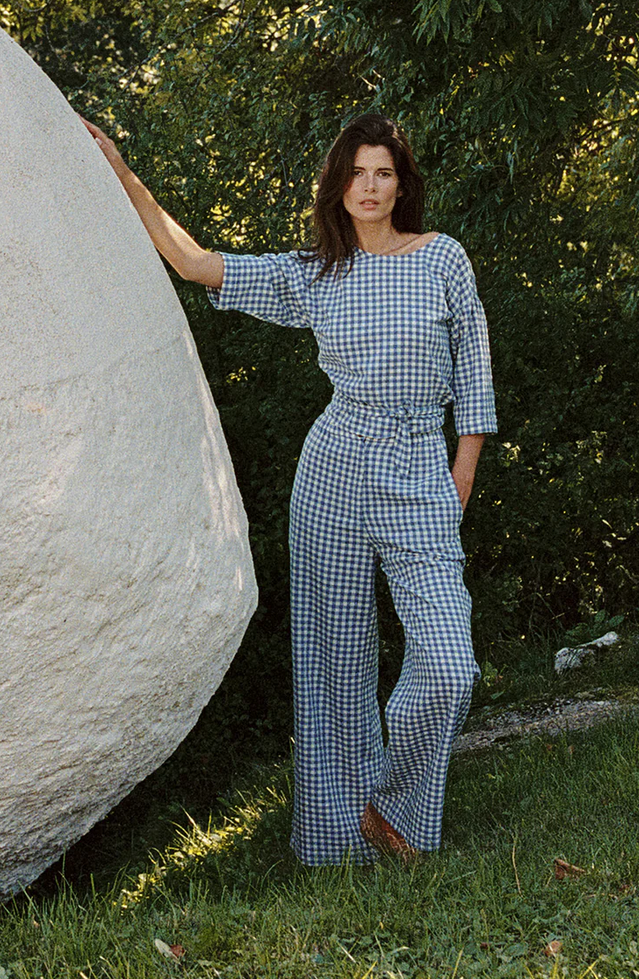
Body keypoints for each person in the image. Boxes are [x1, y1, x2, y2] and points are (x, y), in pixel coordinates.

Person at [82, 112, 497, 866]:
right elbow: (199, 264)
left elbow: (473, 365)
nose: (370, 187)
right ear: (338, 185)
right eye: (357, 173)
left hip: (419, 469)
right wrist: (121, 172)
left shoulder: (442, 259)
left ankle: (394, 807)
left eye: (384, 173)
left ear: (402, 185)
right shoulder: (315, 273)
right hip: (335, 464)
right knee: (335, 655)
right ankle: (345, 844)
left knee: (447, 662)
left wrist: (462, 469)